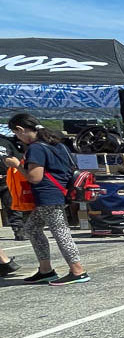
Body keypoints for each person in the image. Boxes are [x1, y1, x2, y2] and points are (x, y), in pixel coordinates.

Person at [2, 114, 89, 285]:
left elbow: (35, 177)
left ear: (20, 130)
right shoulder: (58, 144)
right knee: (33, 228)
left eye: (17, 134)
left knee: (60, 232)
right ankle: (45, 270)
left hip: (48, 195)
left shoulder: (36, 148)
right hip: (60, 191)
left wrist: (17, 165)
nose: (18, 138)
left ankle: (78, 270)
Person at [1, 129, 27, 239]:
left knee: (12, 206)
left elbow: (18, 158)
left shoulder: (5, 142)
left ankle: (19, 230)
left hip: (7, 179)